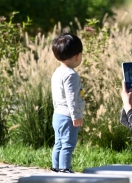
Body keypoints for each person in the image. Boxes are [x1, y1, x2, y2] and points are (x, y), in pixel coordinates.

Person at [50, 33, 85, 173]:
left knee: (59, 143)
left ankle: (56, 167)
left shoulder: (57, 72)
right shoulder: (71, 75)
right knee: (68, 144)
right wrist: (76, 115)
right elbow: (71, 98)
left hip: (58, 114)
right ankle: (64, 169)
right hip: (68, 116)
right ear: (77, 56)